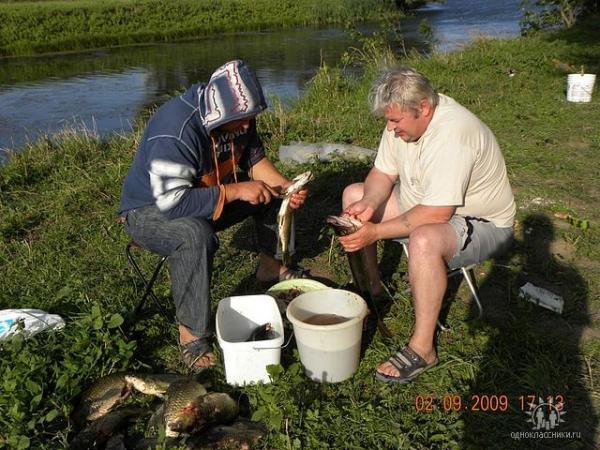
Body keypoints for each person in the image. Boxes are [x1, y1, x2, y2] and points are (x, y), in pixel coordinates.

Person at [118, 60, 308, 371]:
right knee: (194, 233)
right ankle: (192, 336)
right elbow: (173, 204)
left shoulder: (239, 118)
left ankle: (270, 269)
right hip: (149, 212)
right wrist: (235, 191)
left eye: (251, 119)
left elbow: (255, 159)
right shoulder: (175, 131)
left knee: (272, 192)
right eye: (241, 120)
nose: (247, 126)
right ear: (218, 111)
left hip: (203, 194)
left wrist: (286, 188)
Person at [339, 66, 515, 384]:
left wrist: (376, 231)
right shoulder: (405, 117)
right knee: (354, 194)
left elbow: (436, 213)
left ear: (423, 108)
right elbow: (382, 174)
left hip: (484, 224)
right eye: (387, 121)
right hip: (423, 201)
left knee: (423, 239)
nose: (391, 129)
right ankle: (374, 290)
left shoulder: (452, 133)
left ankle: (423, 349)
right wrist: (368, 204)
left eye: (395, 121)